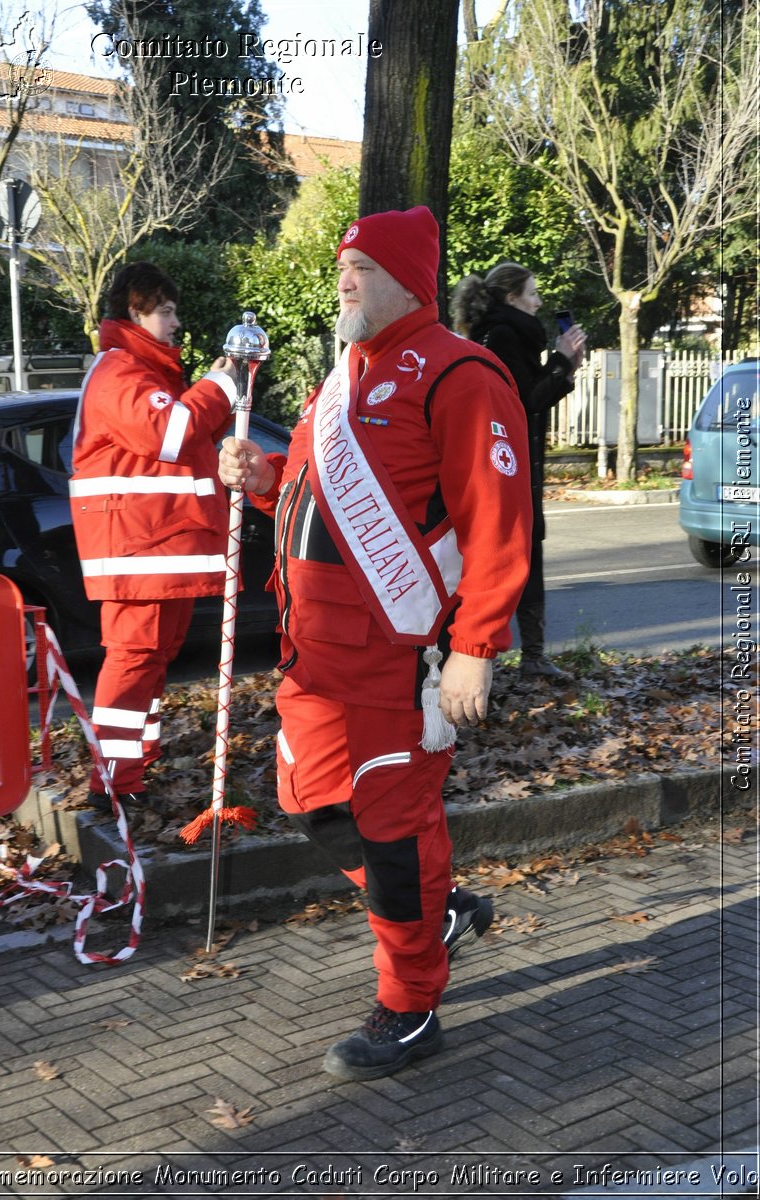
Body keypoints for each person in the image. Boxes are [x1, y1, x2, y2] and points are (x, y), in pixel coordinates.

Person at [218, 207, 533, 1081]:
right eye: (341, 266)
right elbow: (329, 498)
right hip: (313, 657)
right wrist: (264, 479)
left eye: (359, 266)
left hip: (398, 660)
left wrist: (476, 644)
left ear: (406, 281)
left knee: (393, 834)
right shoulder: (343, 376)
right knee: (312, 804)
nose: (343, 280)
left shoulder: (461, 374)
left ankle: (410, 1003)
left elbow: (499, 520)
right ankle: (435, 913)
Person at [69, 262, 237, 811]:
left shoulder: (142, 371)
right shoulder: (121, 371)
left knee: (151, 657)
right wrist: (220, 385)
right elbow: (171, 433)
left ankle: (133, 767)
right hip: (138, 548)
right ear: (136, 312)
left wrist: (215, 389)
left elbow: (185, 435)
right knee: (135, 658)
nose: (175, 322)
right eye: (165, 311)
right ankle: (113, 784)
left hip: (153, 545)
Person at [452, 263, 587, 679]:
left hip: (514, 463)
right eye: (533, 292)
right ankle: (506, 656)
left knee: (528, 549)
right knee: (511, 553)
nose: (539, 301)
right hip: (504, 466)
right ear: (511, 298)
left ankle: (531, 655)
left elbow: (528, 394)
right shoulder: (504, 335)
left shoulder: (508, 333)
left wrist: (565, 366)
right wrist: (562, 362)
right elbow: (524, 401)